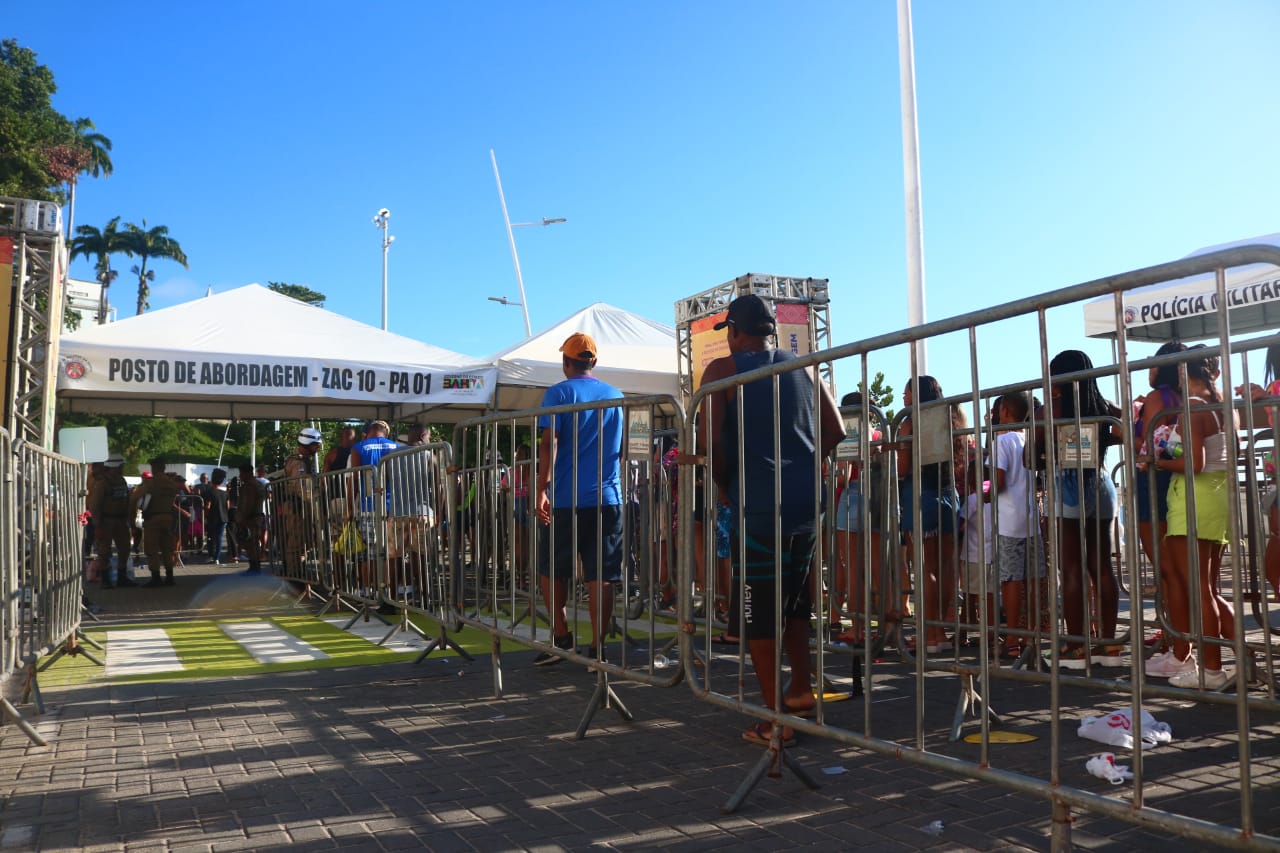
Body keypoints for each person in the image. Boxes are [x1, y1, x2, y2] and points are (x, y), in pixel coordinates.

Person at [699, 295, 844, 745]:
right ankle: (799, 691)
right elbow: (837, 429)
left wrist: (724, 483)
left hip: (758, 503)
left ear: (733, 331)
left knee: (759, 611)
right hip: (805, 501)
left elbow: (711, 441)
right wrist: (802, 464)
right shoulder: (805, 366)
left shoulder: (721, 371)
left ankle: (774, 720)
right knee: (795, 601)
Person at [533, 332, 625, 666]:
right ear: (594, 362)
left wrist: (541, 489)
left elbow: (549, 443)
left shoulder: (559, 392)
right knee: (601, 574)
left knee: (552, 569)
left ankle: (561, 637)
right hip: (608, 497)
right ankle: (598, 647)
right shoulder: (616, 395)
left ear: (566, 362)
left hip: (565, 499)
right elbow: (623, 447)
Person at [1153, 347, 1237, 689]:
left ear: (1183, 372)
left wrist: (1155, 461)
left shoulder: (1193, 407)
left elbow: (1194, 462)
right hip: (1216, 499)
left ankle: (1212, 670)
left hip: (1192, 501)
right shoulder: (1226, 407)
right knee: (1210, 590)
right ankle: (1241, 660)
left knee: (1199, 590)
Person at [1043, 350, 1124, 669]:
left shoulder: (1054, 407)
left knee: (1072, 568)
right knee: (1102, 567)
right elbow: (1126, 429)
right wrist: (1104, 440)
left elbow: (1033, 454)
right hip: (1101, 483)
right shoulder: (1102, 406)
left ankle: (1076, 647)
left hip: (1068, 484)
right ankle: (1108, 645)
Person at [897, 375, 963, 654]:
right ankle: (941, 632)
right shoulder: (950, 420)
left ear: (917, 395)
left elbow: (902, 468)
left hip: (921, 496)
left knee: (925, 569)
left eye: (906, 392)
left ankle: (929, 633)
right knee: (945, 567)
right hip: (949, 494)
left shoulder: (910, 423)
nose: (903, 397)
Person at [1132, 342, 1187, 661]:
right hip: (1175, 481)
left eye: (1153, 364)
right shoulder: (1184, 396)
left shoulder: (1157, 398)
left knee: (1166, 567)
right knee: (1177, 565)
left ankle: (1177, 638)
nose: (1149, 370)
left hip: (1153, 481)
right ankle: (1177, 633)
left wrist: (1130, 427)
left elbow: (1152, 446)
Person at [986, 392, 1045, 661]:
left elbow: (997, 481)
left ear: (1005, 411)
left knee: (1011, 580)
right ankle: (1030, 636)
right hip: (1030, 518)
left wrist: (982, 493)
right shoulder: (1029, 439)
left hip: (1009, 521)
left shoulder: (1002, 441)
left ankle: (1011, 639)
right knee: (1032, 580)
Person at [831, 391, 888, 645]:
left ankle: (857, 628)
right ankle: (888, 626)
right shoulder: (880, 434)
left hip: (853, 496)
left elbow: (844, 475)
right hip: (878, 497)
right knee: (878, 568)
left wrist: (831, 476)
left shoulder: (849, 434)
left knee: (853, 569)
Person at [128, 459, 183, 587]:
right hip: (167, 517)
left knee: (151, 549)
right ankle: (170, 577)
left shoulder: (151, 483)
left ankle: (156, 578)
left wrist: (131, 518)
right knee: (167, 548)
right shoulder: (171, 483)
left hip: (153, 519)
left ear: (154, 468)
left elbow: (134, 498)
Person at [90, 454, 137, 589]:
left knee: (125, 548)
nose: (122, 469)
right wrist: (97, 525)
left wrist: (130, 520)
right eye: (121, 466)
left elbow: (127, 500)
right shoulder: (102, 483)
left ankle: (122, 578)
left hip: (121, 520)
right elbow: (95, 505)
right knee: (104, 550)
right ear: (114, 466)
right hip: (106, 520)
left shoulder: (122, 481)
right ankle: (105, 579)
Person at [282, 427, 323, 575]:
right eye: (315, 445)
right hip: (297, 508)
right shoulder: (298, 463)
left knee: (302, 544)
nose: (317, 448)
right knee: (296, 545)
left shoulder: (301, 461)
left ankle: (298, 575)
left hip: (300, 507)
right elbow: (303, 489)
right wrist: (316, 510)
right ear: (307, 444)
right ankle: (295, 577)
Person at [205, 468, 230, 565]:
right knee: (219, 537)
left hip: (212, 518)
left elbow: (208, 506)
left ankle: (211, 556)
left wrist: (205, 516)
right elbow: (228, 506)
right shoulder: (225, 493)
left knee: (210, 537)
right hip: (223, 518)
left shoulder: (209, 492)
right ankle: (217, 558)